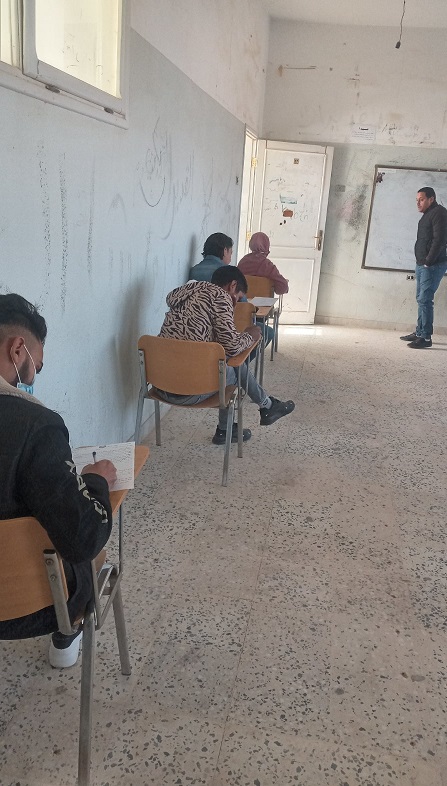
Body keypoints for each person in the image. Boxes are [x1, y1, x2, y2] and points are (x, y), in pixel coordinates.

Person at [0, 294, 117, 668]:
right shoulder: (37, 426)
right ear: (17, 349)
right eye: (36, 366)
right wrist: (95, 483)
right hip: (28, 607)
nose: (33, 377)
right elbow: (83, 539)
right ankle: (67, 635)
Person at [156, 265, 295, 445]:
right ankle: (258, 411)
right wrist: (250, 335)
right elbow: (233, 347)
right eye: (237, 297)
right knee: (234, 366)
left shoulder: (186, 294)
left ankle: (262, 408)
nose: (235, 304)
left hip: (161, 384)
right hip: (188, 391)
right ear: (232, 285)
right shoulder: (220, 297)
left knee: (225, 361)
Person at [400, 187, 447, 349]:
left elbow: (440, 240)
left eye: (421, 199)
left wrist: (428, 261)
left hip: (432, 265)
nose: (418, 203)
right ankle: (420, 331)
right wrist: (423, 262)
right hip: (422, 264)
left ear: (431, 199)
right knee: (421, 299)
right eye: (417, 200)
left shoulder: (439, 213)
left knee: (425, 300)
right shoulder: (428, 214)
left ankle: (425, 337)